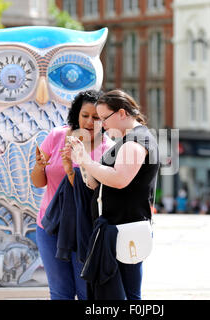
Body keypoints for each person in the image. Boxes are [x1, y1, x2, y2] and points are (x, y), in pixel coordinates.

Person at [66, 89, 159, 300]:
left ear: (122, 113)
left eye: (104, 118)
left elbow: (119, 179)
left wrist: (86, 161)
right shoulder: (130, 139)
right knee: (121, 293)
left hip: (124, 228)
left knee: (125, 294)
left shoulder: (136, 140)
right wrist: (83, 163)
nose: (102, 124)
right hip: (118, 228)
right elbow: (100, 181)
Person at [31, 90, 114, 300]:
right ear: (76, 114)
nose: (89, 121)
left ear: (105, 121)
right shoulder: (58, 136)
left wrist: (71, 170)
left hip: (85, 229)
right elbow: (39, 182)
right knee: (60, 292)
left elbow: (94, 192)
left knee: (85, 291)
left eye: (96, 117)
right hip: (50, 225)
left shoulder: (109, 149)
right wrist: (39, 167)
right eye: (84, 115)